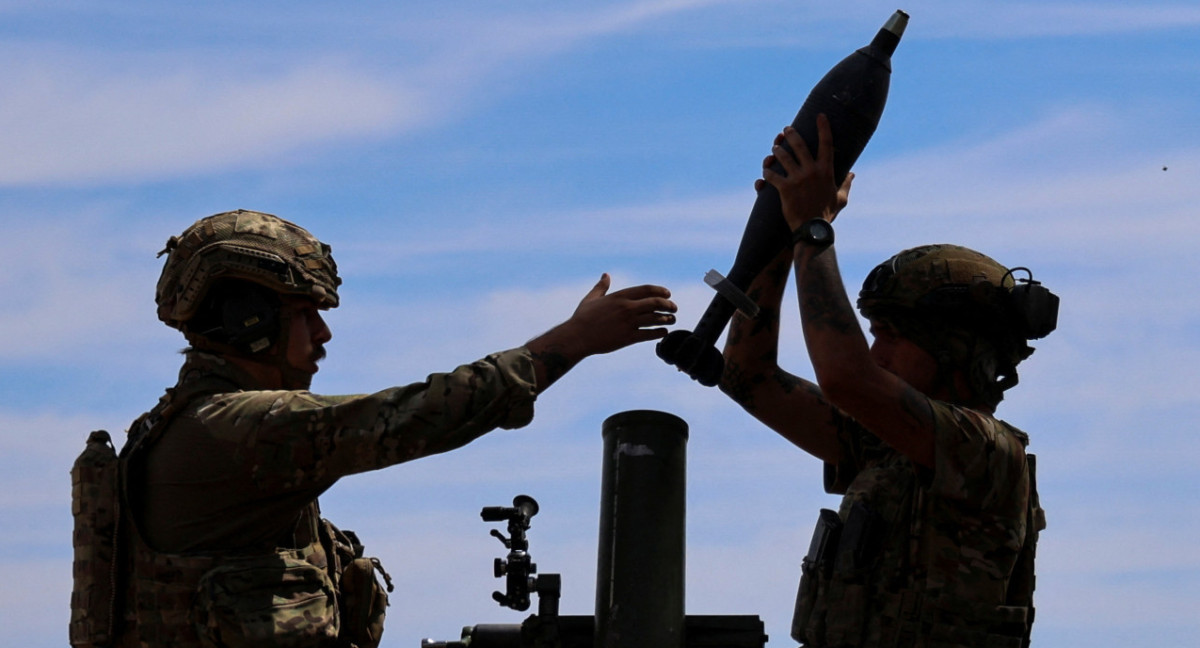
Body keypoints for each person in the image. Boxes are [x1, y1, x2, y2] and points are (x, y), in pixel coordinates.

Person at [81, 209, 677, 648]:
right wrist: (568, 344)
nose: (322, 335)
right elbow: (410, 417)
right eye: (303, 315)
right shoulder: (237, 431)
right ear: (248, 319)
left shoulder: (186, 426)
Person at [719, 115, 1056, 648]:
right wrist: (782, 235)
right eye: (874, 333)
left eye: (894, 335)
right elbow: (748, 377)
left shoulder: (985, 453)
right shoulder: (886, 447)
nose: (878, 353)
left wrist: (812, 229)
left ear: (956, 348)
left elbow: (845, 378)